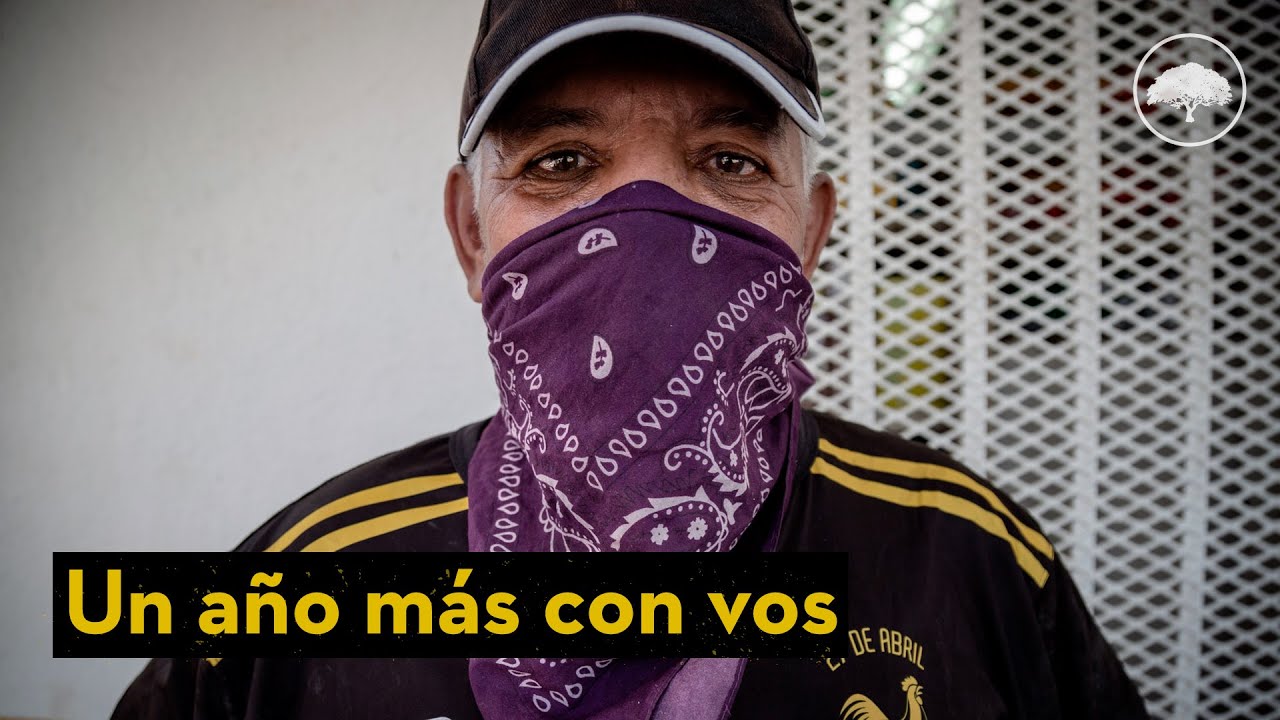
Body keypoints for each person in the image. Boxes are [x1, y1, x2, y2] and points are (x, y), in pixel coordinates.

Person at [113, 1, 1151, 718]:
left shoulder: (963, 555)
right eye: (562, 162)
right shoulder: (306, 582)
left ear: (811, 233)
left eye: (730, 161)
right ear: (471, 235)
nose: (647, 236)